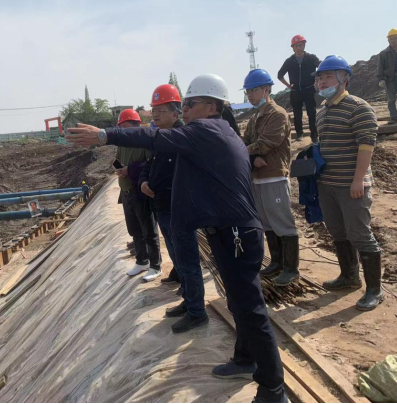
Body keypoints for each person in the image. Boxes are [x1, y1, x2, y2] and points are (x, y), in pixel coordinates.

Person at [67, 74, 287, 403]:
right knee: (238, 303)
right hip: (229, 232)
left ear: (211, 107)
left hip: (236, 235)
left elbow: (153, 137)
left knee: (251, 310)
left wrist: (104, 134)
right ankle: (245, 359)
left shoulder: (207, 130)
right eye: (183, 104)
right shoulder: (217, 131)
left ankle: (273, 389)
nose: (184, 109)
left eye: (190, 104)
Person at [315, 55, 385, 311]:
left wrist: (358, 180)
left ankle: (375, 290)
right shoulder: (323, 111)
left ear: (344, 79)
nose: (323, 82)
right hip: (328, 185)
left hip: (351, 185)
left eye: (329, 76)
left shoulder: (359, 107)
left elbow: (366, 146)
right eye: (320, 78)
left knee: (360, 235)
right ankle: (349, 276)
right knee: (338, 232)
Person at [242, 69, 300, 287]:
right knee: (267, 222)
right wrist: (252, 154)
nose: (250, 95)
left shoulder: (277, 114)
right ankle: (277, 262)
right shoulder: (255, 116)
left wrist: (249, 151)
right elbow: (246, 141)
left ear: (266, 89)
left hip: (274, 175)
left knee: (282, 222)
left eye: (253, 90)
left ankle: (291, 268)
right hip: (258, 176)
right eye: (248, 91)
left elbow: (267, 143)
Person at [138, 84, 183, 285]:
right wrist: (144, 181)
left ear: (175, 113)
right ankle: (178, 271)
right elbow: (150, 163)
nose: (155, 115)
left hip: (177, 204)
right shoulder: (160, 136)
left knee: (180, 245)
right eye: (153, 110)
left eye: (160, 110)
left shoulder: (182, 137)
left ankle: (187, 286)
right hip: (161, 202)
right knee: (171, 242)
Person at [115, 109, 162, 282]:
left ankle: (155, 265)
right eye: (121, 127)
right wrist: (118, 168)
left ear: (136, 125)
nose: (123, 130)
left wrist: (130, 170)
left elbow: (151, 164)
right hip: (126, 191)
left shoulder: (144, 141)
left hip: (140, 193)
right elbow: (117, 159)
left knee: (148, 230)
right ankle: (142, 260)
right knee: (134, 229)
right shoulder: (122, 143)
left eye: (125, 126)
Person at [278, 35, 321, 142]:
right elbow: (280, 75)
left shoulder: (311, 58)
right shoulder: (289, 61)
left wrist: (317, 81)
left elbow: (322, 67)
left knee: (312, 113)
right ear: (292, 47)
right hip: (295, 91)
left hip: (309, 90)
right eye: (296, 46)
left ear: (304, 45)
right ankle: (299, 134)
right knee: (297, 114)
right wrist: (288, 86)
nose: (298, 48)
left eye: (300, 45)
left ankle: (314, 135)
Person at [378, 28, 397, 125]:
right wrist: (381, 79)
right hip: (390, 79)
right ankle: (393, 118)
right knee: (391, 99)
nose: (393, 40)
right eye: (391, 39)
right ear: (388, 40)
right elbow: (380, 67)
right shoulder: (383, 53)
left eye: (395, 38)